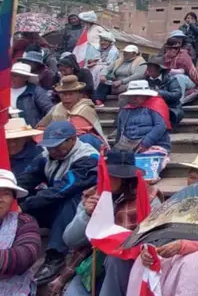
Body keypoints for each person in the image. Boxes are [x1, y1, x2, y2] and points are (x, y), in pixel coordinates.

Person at [125, 151, 198, 296]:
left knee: (192, 263)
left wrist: (181, 245)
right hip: (179, 252)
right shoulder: (179, 202)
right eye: (192, 177)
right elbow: (161, 231)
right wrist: (149, 249)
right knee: (144, 261)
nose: (195, 182)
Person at [60, 150, 161, 296]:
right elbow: (70, 240)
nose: (104, 178)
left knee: (116, 257)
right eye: (103, 174)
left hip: (128, 266)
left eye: (111, 176)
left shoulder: (148, 198)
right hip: (93, 262)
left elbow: (155, 241)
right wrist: (87, 214)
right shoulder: (92, 195)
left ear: (126, 178)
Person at [17, 122, 99, 284]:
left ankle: (56, 255)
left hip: (84, 211)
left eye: (57, 146)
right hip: (55, 204)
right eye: (49, 147)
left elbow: (63, 189)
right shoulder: (46, 156)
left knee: (69, 198)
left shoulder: (88, 158)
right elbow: (26, 180)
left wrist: (24, 206)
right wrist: (11, 199)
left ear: (72, 140)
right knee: (21, 196)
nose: (52, 150)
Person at [111, 80, 172, 180]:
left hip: (153, 144)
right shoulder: (125, 110)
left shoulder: (155, 105)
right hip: (129, 144)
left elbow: (160, 126)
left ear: (145, 95)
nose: (134, 98)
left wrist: (145, 143)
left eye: (138, 95)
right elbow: (120, 131)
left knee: (145, 166)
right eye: (132, 96)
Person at [0, 169, 41, 294]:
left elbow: (26, 255)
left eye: (6, 193)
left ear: (13, 199)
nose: (0, 199)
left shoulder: (24, 222)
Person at [38, 75, 106, 149]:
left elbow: (75, 133)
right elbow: (41, 126)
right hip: (56, 140)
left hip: (82, 144)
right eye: (64, 94)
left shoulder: (84, 108)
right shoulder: (57, 107)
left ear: (79, 95)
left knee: (84, 139)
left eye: (71, 94)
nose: (67, 98)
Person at [143, 55, 185, 126]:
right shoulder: (144, 80)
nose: (148, 69)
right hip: (149, 107)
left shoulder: (170, 79)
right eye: (148, 66)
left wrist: (159, 93)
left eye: (151, 66)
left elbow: (177, 94)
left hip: (170, 108)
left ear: (159, 69)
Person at [10, 61, 53, 127]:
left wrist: (42, 124)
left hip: (31, 131)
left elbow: (50, 110)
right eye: (11, 75)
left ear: (25, 78)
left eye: (16, 76)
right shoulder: (4, 91)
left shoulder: (36, 91)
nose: (12, 78)